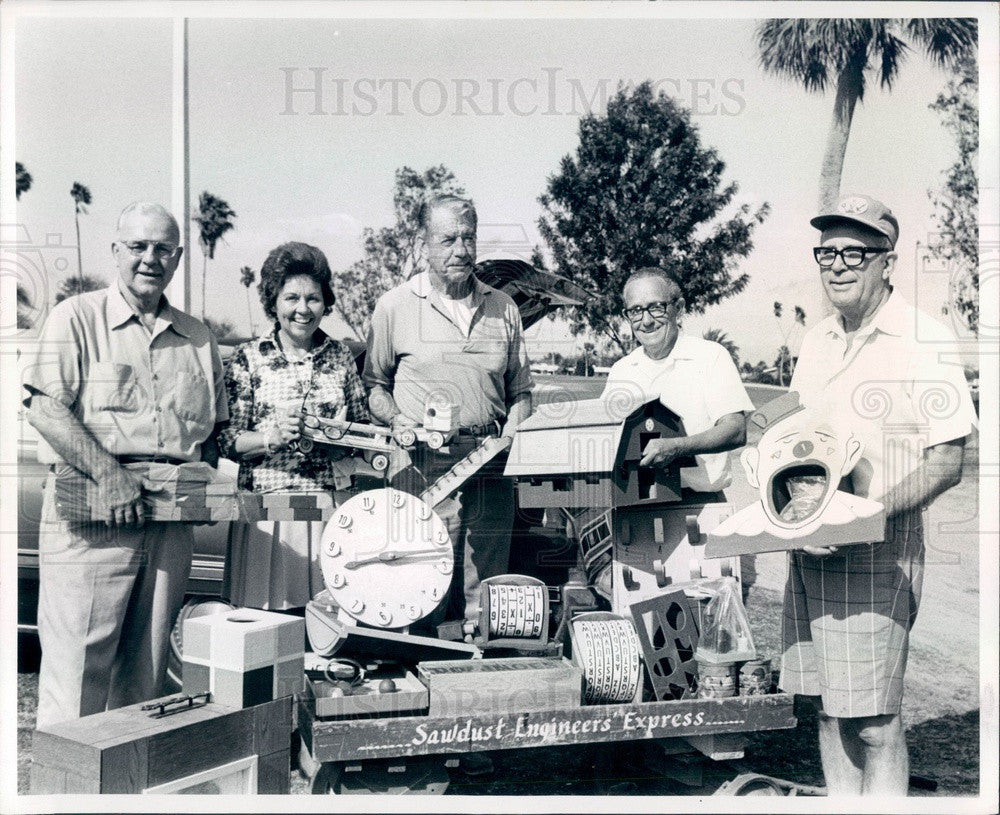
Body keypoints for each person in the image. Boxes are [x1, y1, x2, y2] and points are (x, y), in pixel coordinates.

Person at [781, 193, 977, 795]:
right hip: (809, 545)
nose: (837, 265)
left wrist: (863, 513)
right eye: (826, 253)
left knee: (873, 721)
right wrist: (792, 506)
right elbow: (794, 441)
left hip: (879, 544)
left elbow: (947, 459)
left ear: (886, 261)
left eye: (853, 252)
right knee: (826, 709)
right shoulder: (815, 341)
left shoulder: (924, 337)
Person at [24, 203, 228, 728]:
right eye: (137, 246)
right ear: (116, 251)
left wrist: (199, 489)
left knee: (147, 678)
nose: (149, 259)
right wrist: (111, 478)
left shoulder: (199, 337)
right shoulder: (78, 317)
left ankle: (129, 796)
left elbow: (209, 435)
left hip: (167, 526)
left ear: (178, 257)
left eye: (163, 248)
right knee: (78, 673)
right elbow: (45, 408)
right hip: (92, 512)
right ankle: (67, 802)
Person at [364, 194, 533, 627]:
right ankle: (420, 674)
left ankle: (480, 674)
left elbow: (521, 393)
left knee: (489, 588)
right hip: (422, 463)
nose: (460, 249)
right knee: (421, 580)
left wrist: (511, 438)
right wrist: (397, 419)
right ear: (424, 245)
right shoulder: (394, 306)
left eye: (468, 237)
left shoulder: (504, 308)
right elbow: (374, 386)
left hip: (491, 463)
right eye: (447, 239)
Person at [218, 242, 369, 610]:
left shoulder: (340, 356)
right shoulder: (249, 358)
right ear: (274, 302)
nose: (303, 309)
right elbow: (225, 440)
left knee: (326, 625)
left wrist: (335, 436)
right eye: (291, 298)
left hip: (328, 509)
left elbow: (363, 430)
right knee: (262, 631)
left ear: (325, 302)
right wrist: (271, 437)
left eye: (313, 299)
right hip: (267, 514)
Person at [602, 266, 754, 495]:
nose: (646, 321)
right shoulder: (620, 370)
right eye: (635, 310)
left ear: (679, 309)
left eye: (656, 307)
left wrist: (677, 448)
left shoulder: (711, 356)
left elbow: (735, 430)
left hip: (699, 505)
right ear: (627, 316)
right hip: (632, 504)